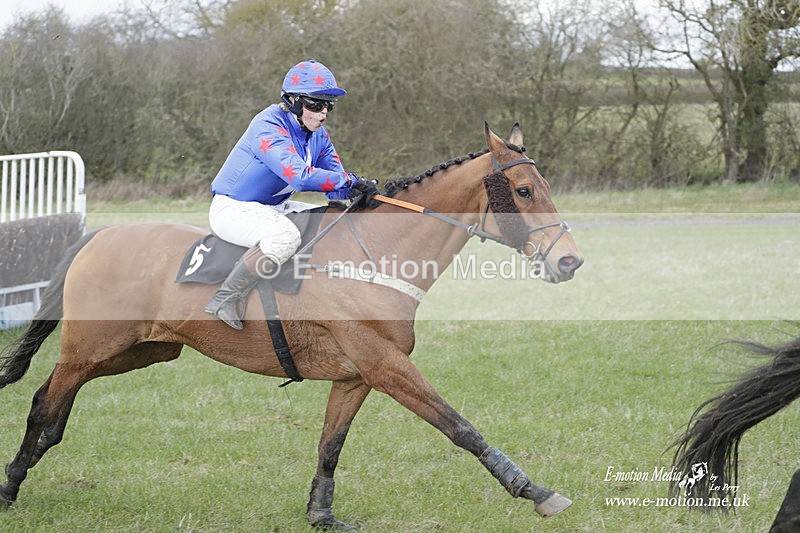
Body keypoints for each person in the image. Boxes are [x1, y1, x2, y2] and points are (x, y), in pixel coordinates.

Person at [205, 59, 377, 330]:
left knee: (329, 216)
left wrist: (361, 190)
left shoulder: (317, 135)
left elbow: (337, 180)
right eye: (316, 105)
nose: (323, 114)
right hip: (233, 208)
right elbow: (298, 175)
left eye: (328, 106)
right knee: (285, 236)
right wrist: (349, 181)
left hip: (273, 207)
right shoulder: (268, 126)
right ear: (294, 102)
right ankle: (224, 298)